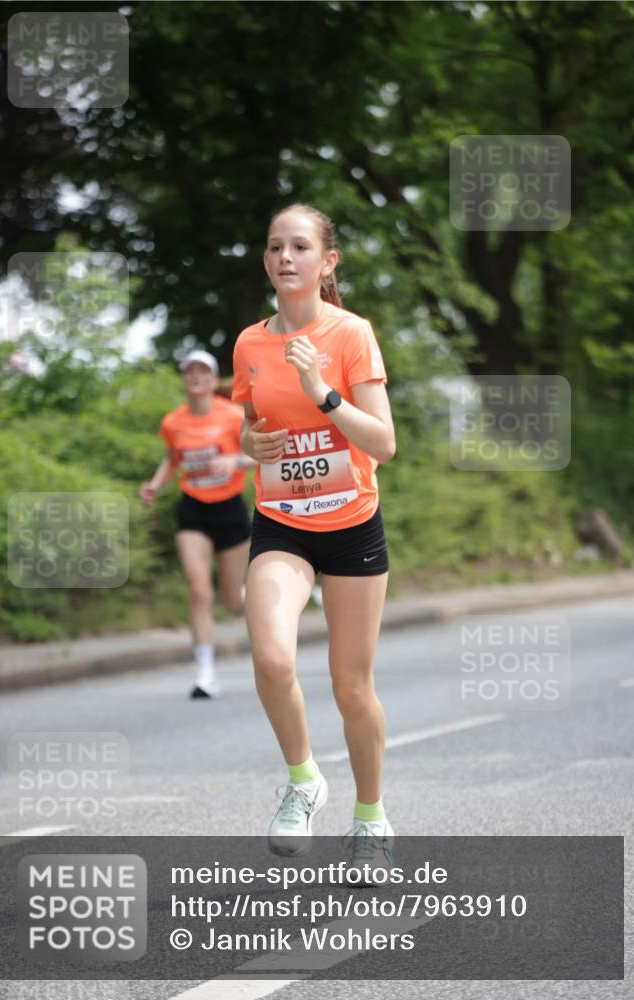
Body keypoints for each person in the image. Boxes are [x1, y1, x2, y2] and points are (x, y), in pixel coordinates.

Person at [232, 204, 396, 867]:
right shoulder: (248, 343)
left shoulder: (351, 333)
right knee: (271, 658)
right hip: (281, 524)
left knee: (351, 689)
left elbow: (382, 443)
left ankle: (370, 821)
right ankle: (303, 781)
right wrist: (248, 441)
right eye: (274, 246)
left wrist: (320, 389)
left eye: (299, 246)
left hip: (352, 524)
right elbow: (249, 432)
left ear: (326, 262)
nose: (284, 257)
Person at [140, 350, 254, 699]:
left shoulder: (234, 415)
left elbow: (260, 452)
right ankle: (205, 673)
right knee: (199, 589)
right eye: (189, 371)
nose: (195, 377)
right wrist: (156, 484)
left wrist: (234, 460)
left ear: (214, 379)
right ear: (183, 379)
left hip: (231, 510)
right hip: (193, 511)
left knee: (233, 600)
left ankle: (274, 608)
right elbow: (173, 457)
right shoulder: (174, 422)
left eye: (202, 371)